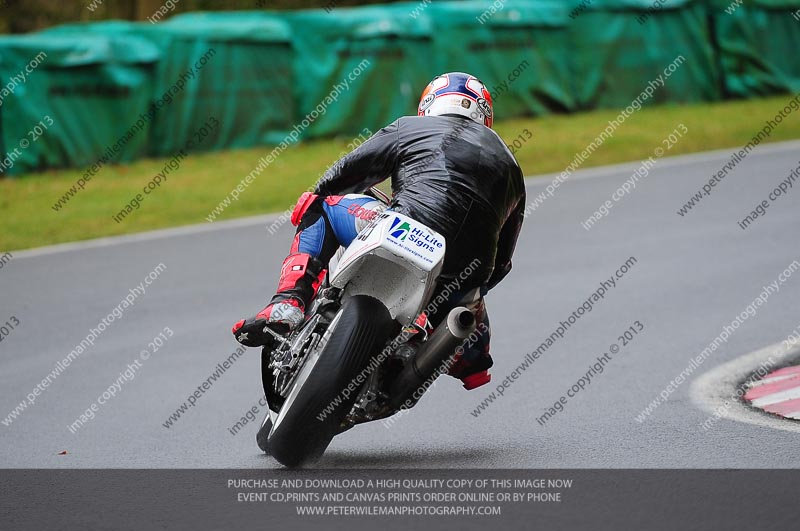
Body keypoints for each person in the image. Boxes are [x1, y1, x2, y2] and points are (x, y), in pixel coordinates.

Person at [232, 72, 525, 391]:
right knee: (472, 330)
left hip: (407, 228)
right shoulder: (512, 167)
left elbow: (347, 172)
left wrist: (315, 192)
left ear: (428, 106)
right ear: (485, 115)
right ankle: (454, 353)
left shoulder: (410, 127)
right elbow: (503, 262)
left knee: (321, 204)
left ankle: (289, 300)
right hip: (465, 273)